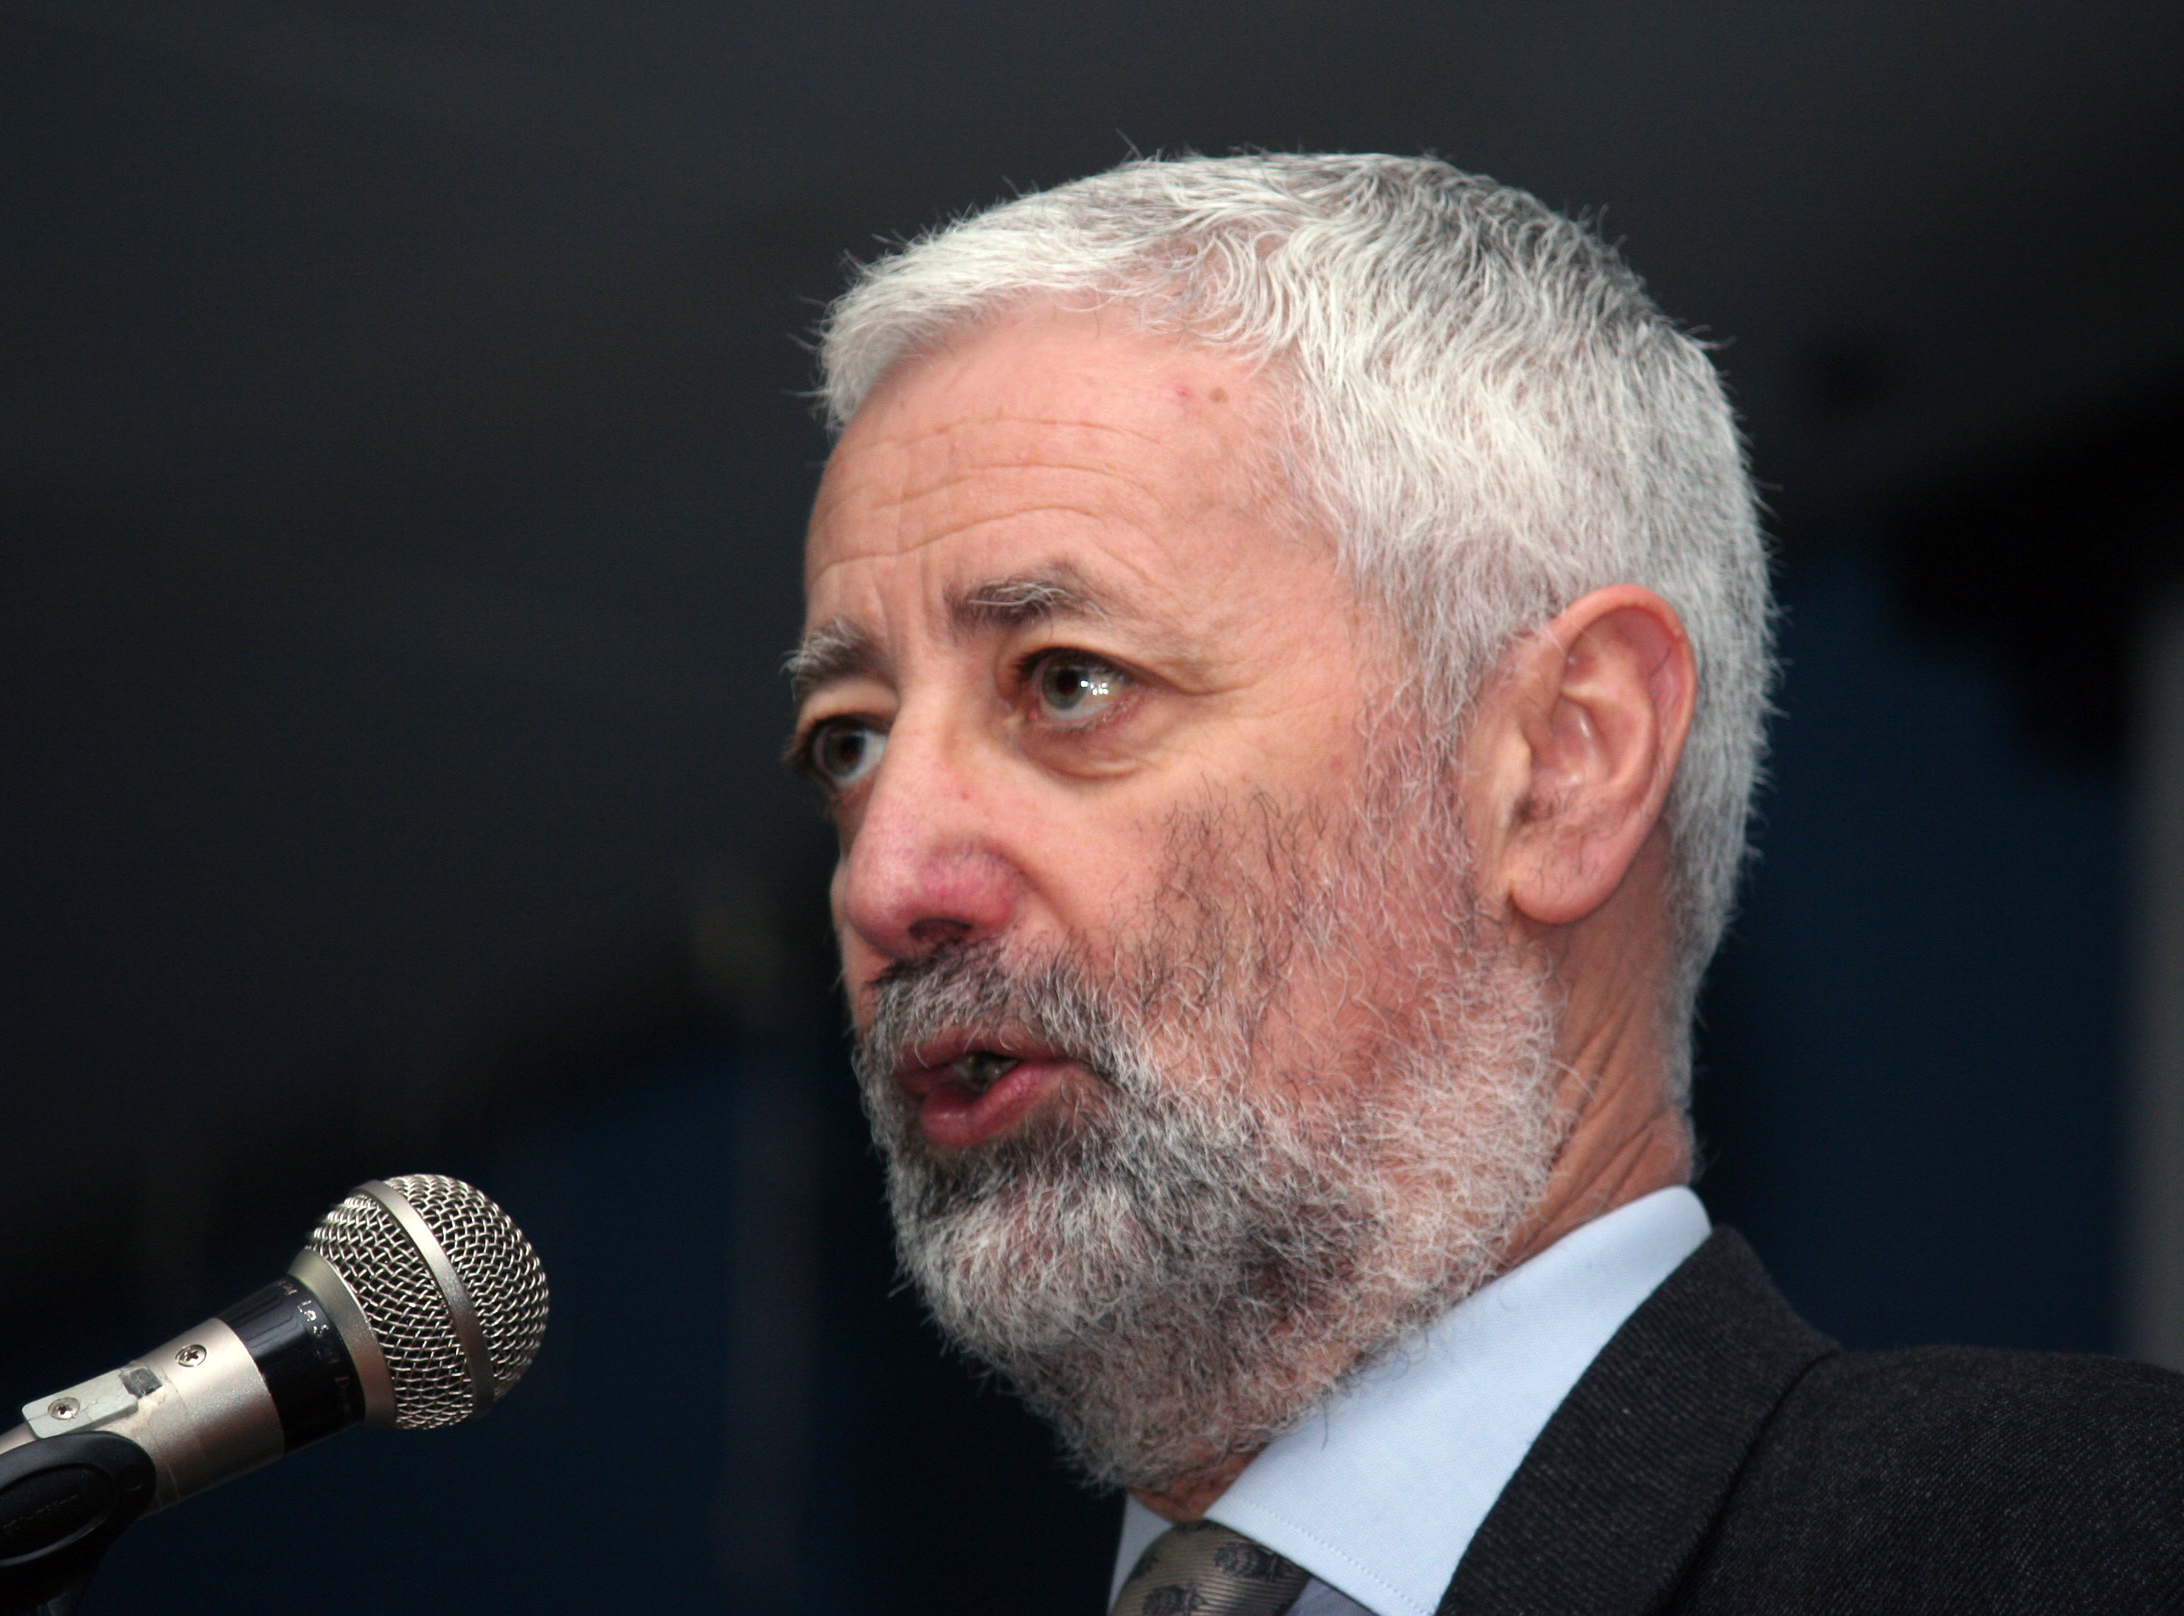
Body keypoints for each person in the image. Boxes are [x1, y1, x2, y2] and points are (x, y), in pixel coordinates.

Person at [784, 153, 2184, 1614]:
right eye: (848, 742)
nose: (885, 876)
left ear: (1563, 765)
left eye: (1068, 682)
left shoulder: (2089, 1547)